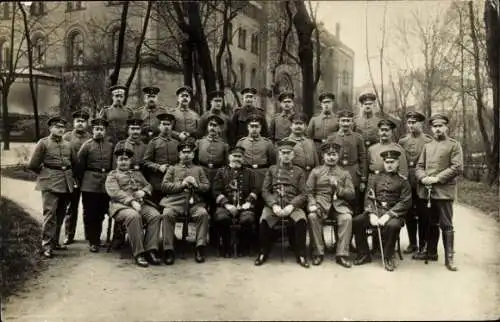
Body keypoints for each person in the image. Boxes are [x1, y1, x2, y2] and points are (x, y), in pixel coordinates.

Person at [414, 114, 463, 271]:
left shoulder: (454, 145)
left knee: (446, 224)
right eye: (435, 126)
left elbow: (457, 167)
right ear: (431, 128)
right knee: (431, 222)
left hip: (443, 191)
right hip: (428, 191)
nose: (438, 129)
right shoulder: (428, 146)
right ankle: (431, 252)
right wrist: (423, 178)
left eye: (441, 126)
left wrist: (436, 178)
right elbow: (419, 166)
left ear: (446, 127)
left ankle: (450, 258)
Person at [353, 149, 412, 271]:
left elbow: (405, 202)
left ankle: (388, 256)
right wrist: (372, 214)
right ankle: (364, 254)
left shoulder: (403, 181)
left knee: (393, 226)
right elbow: (369, 198)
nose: (389, 165)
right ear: (384, 163)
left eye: (392, 162)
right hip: (376, 211)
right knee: (357, 221)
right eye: (387, 162)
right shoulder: (375, 178)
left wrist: (388, 215)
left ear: (397, 163)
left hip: (394, 214)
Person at [254, 139, 309, 268]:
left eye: (288, 153)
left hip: (292, 205)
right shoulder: (272, 170)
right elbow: (265, 190)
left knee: (301, 220)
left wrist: (292, 206)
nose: (286, 155)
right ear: (279, 154)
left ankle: (301, 253)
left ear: (293, 155)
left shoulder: (299, 171)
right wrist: (273, 205)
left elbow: (303, 193)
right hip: (275, 204)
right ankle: (263, 252)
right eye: (283, 153)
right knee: (264, 220)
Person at [27, 116, 77, 258]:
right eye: (57, 126)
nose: (60, 129)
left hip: (66, 182)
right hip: (49, 182)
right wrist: (46, 174)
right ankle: (46, 245)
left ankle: (55, 242)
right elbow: (33, 165)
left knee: (61, 214)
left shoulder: (68, 144)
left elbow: (74, 162)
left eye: (62, 127)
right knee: (50, 214)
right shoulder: (43, 143)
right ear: (50, 128)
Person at [105, 148, 162, 267]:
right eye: (121, 160)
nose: (123, 162)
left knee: (155, 216)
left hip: (141, 203)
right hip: (121, 207)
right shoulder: (112, 175)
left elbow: (148, 185)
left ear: (130, 161)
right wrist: (131, 202)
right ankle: (139, 253)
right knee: (134, 216)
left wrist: (144, 192)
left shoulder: (137, 173)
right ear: (117, 161)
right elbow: (115, 193)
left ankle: (151, 250)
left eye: (126, 159)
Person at [160, 140, 211, 264]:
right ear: (179, 155)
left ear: (193, 155)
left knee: (203, 214)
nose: (187, 155)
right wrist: (181, 185)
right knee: (167, 214)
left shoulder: (199, 169)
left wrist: (197, 185)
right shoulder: (172, 169)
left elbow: (207, 186)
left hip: (194, 203)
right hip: (175, 202)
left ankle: (200, 247)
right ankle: (168, 249)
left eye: (189, 152)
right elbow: (164, 186)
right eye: (184, 152)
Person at [306, 142, 355, 268]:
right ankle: (318, 252)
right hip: (320, 204)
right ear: (323, 156)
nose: (331, 157)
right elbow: (308, 191)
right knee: (312, 217)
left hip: (339, 205)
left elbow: (351, 194)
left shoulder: (344, 173)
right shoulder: (316, 172)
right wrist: (312, 204)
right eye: (328, 155)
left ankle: (342, 254)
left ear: (338, 156)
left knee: (347, 218)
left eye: (334, 154)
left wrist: (338, 188)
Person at [75, 118, 114, 252]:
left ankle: (97, 238)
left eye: (101, 129)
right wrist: (80, 181)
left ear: (105, 131)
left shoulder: (110, 146)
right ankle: (93, 241)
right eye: (96, 129)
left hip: (105, 183)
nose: (99, 132)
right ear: (92, 130)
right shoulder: (87, 145)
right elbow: (80, 165)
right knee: (91, 212)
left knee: (102, 212)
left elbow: (113, 166)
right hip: (90, 182)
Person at [212, 146, 258, 257]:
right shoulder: (221, 172)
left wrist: (248, 202)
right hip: (226, 206)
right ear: (229, 157)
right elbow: (216, 191)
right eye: (234, 156)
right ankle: (226, 246)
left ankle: (243, 246)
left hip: (244, 206)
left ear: (243, 159)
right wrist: (227, 205)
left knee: (248, 218)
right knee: (221, 218)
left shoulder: (249, 172)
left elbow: (255, 189)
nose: (237, 159)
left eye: (240, 156)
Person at [398, 111, 433, 254]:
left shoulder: (428, 141)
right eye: (409, 122)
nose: (411, 125)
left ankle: (423, 243)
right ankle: (413, 243)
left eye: (414, 122)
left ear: (421, 123)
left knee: (423, 213)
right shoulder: (402, 141)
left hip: (422, 180)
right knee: (409, 213)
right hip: (407, 180)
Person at [326, 109, 367, 215]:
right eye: (343, 120)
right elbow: (327, 158)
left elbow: (362, 158)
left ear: (352, 122)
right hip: (337, 172)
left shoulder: (358, 138)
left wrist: (363, 178)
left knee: (355, 203)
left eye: (348, 121)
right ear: (338, 122)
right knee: (338, 203)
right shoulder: (332, 137)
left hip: (354, 174)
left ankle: (355, 229)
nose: (345, 124)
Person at [62, 110, 91, 245]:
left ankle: (89, 235)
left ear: (86, 123)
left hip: (87, 178)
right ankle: (69, 234)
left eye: (83, 121)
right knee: (71, 207)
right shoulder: (66, 137)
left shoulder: (91, 138)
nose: (80, 123)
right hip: (71, 177)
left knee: (88, 207)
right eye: (78, 121)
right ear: (74, 123)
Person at [143, 113, 179, 204]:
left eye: (168, 124)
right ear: (159, 126)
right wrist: (158, 167)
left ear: (171, 127)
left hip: (172, 181)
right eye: (164, 124)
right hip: (157, 181)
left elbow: (180, 162)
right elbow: (146, 161)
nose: (166, 127)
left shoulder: (176, 143)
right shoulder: (153, 142)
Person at [285, 112, 319, 177]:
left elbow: (316, 163)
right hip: (295, 177)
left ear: (305, 126)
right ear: (291, 126)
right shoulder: (286, 142)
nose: (298, 126)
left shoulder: (310, 142)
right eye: (296, 123)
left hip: (311, 176)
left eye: (301, 124)